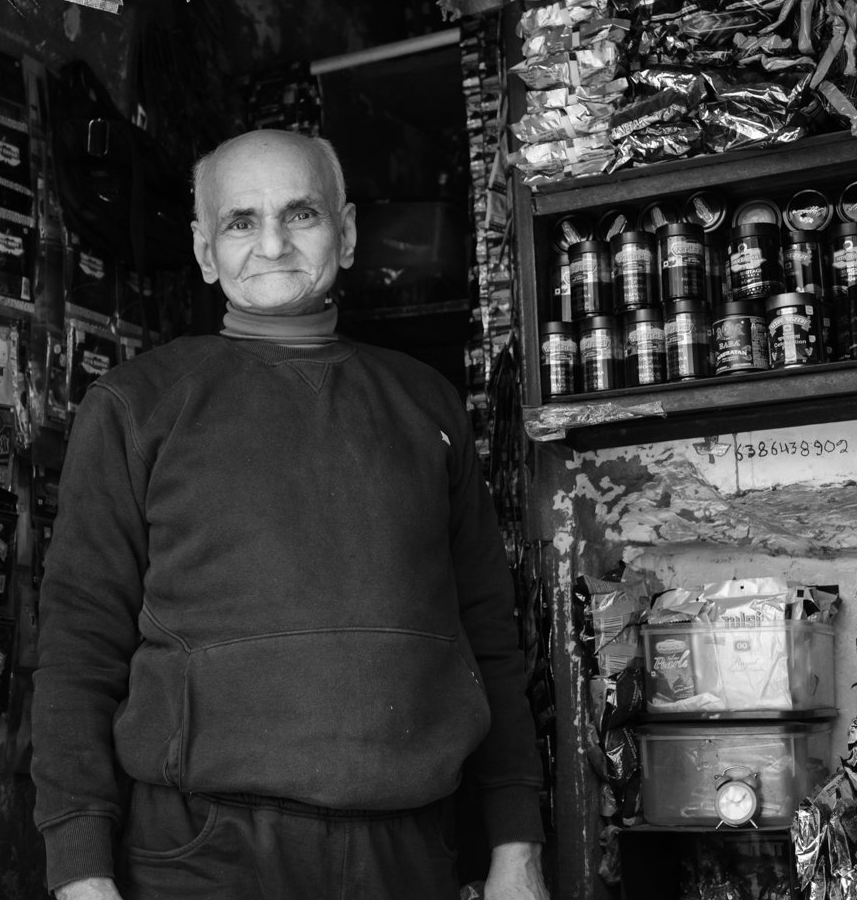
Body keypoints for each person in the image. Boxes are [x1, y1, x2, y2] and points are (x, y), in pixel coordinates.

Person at [31, 129, 550, 900]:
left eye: (299, 214)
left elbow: (490, 637)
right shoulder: (137, 407)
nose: (271, 243)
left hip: (407, 846)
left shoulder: (427, 405)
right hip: (202, 852)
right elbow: (79, 647)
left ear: (344, 233)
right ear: (206, 253)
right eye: (240, 221)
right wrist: (80, 871)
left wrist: (517, 845)